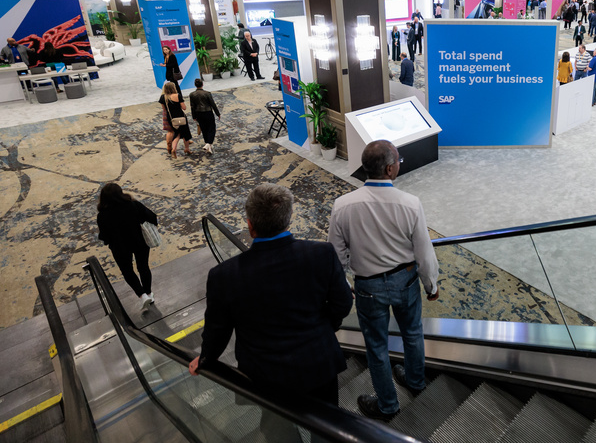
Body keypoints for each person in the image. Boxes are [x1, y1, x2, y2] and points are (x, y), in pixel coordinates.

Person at [190, 184, 353, 439]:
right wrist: (323, 327)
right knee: (327, 427)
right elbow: (343, 303)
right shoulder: (321, 254)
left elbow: (217, 330)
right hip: (318, 363)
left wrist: (206, 359)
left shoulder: (224, 276)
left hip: (265, 376)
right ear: (288, 218)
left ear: (250, 225)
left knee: (276, 428)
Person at [329, 141, 440, 421]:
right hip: (406, 280)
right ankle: (415, 381)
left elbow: (335, 256)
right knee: (412, 333)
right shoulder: (410, 203)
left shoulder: (342, 206)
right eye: (398, 161)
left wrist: (344, 286)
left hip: (368, 286)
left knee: (376, 346)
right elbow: (424, 252)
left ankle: (388, 405)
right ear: (390, 169)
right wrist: (431, 285)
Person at [97, 183, 158, 311]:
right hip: (140, 242)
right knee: (143, 267)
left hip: (119, 247)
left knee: (127, 271)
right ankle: (148, 293)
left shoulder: (102, 215)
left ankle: (142, 295)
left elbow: (104, 236)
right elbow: (153, 217)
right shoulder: (134, 205)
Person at [159, 81, 192, 157]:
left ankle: (173, 149)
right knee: (185, 134)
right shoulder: (178, 95)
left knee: (177, 134)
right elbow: (184, 107)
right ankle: (187, 148)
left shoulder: (163, 97)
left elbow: (164, 109)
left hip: (171, 119)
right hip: (181, 117)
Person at [189, 78, 221, 153]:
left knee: (204, 129)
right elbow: (213, 104)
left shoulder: (192, 95)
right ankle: (208, 143)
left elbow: (192, 106)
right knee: (211, 128)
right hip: (208, 112)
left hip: (198, 113)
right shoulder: (207, 93)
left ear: (195, 85)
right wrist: (217, 113)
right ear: (202, 84)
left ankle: (208, 144)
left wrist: (194, 116)